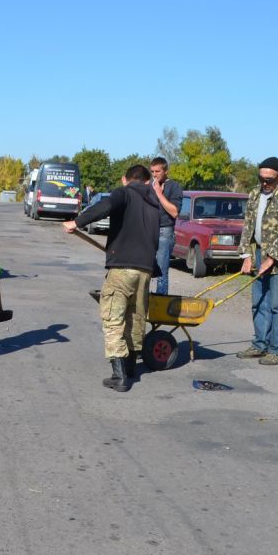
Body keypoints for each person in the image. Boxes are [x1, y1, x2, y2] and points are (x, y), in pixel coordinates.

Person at [63, 164, 162, 392]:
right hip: (145, 270)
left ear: (125, 179)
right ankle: (129, 368)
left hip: (123, 269)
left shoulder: (124, 193)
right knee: (135, 318)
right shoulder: (154, 203)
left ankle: (119, 377)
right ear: (147, 181)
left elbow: (105, 205)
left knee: (114, 318)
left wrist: (76, 222)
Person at [237, 157, 278, 365]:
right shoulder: (255, 194)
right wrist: (246, 255)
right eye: (261, 178)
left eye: (269, 180)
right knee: (259, 302)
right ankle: (259, 344)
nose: (264, 184)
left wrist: (271, 258)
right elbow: (247, 225)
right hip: (258, 255)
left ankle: (277, 350)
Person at [148, 157, 183, 295]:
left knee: (161, 270)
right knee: (145, 268)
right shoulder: (148, 185)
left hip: (164, 231)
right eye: (152, 171)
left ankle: (161, 300)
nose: (154, 175)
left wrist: (159, 194)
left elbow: (174, 212)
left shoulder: (174, 187)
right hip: (148, 230)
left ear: (166, 171)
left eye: (157, 171)